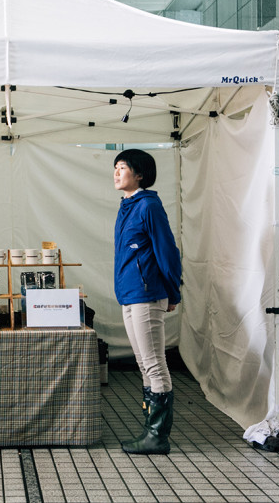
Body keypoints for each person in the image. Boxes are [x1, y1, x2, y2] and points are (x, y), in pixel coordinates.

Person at [113, 149, 182, 455]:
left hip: (147, 294)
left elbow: (167, 250)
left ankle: (158, 436)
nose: (116, 173)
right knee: (144, 364)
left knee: (154, 364)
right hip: (130, 295)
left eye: (122, 168)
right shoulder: (127, 206)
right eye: (115, 168)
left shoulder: (149, 206)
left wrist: (173, 291)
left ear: (139, 174)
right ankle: (150, 430)